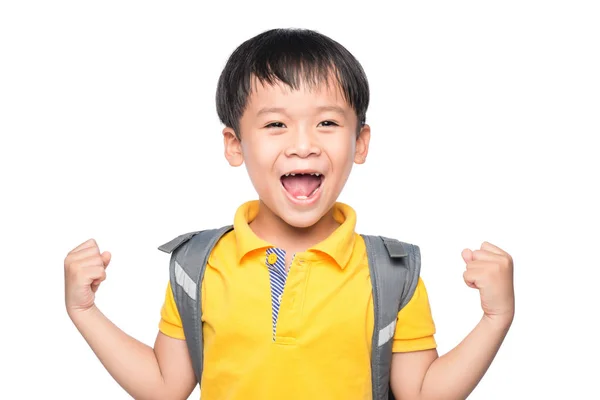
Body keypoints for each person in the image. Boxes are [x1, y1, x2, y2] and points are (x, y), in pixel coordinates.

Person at [64, 28, 515, 400]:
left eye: (328, 122)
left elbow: (421, 393)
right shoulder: (198, 265)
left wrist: (495, 318)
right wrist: (84, 311)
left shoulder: (391, 271)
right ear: (235, 145)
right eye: (276, 124)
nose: (303, 144)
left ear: (360, 142)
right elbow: (165, 386)